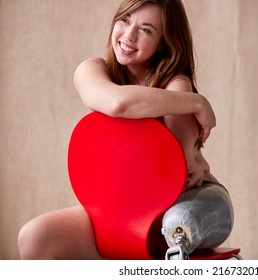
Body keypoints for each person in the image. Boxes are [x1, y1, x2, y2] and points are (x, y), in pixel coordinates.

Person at [18, 0, 232, 260]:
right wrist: (198, 103)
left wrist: (187, 99)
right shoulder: (93, 70)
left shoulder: (177, 85)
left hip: (183, 203)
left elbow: (167, 175)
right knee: (35, 237)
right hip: (122, 208)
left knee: (178, 222)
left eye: (146, 29)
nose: (129, 35)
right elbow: (117, 102)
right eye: (125, 20)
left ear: (163, 42)